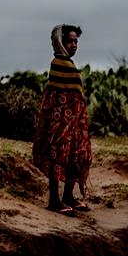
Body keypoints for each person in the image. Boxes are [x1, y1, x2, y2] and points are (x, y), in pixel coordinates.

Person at [32, 24, 93, 216]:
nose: (74, 44)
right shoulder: (58, 63)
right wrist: (60, 123)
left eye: (76, 41)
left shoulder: (69, 64)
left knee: (76, 156)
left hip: (74, 123)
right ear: (60, 42)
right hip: (59, 123)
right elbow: (55, 98)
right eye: (69, 40)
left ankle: (68, 197)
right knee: (57, 155)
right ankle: (54, 201)